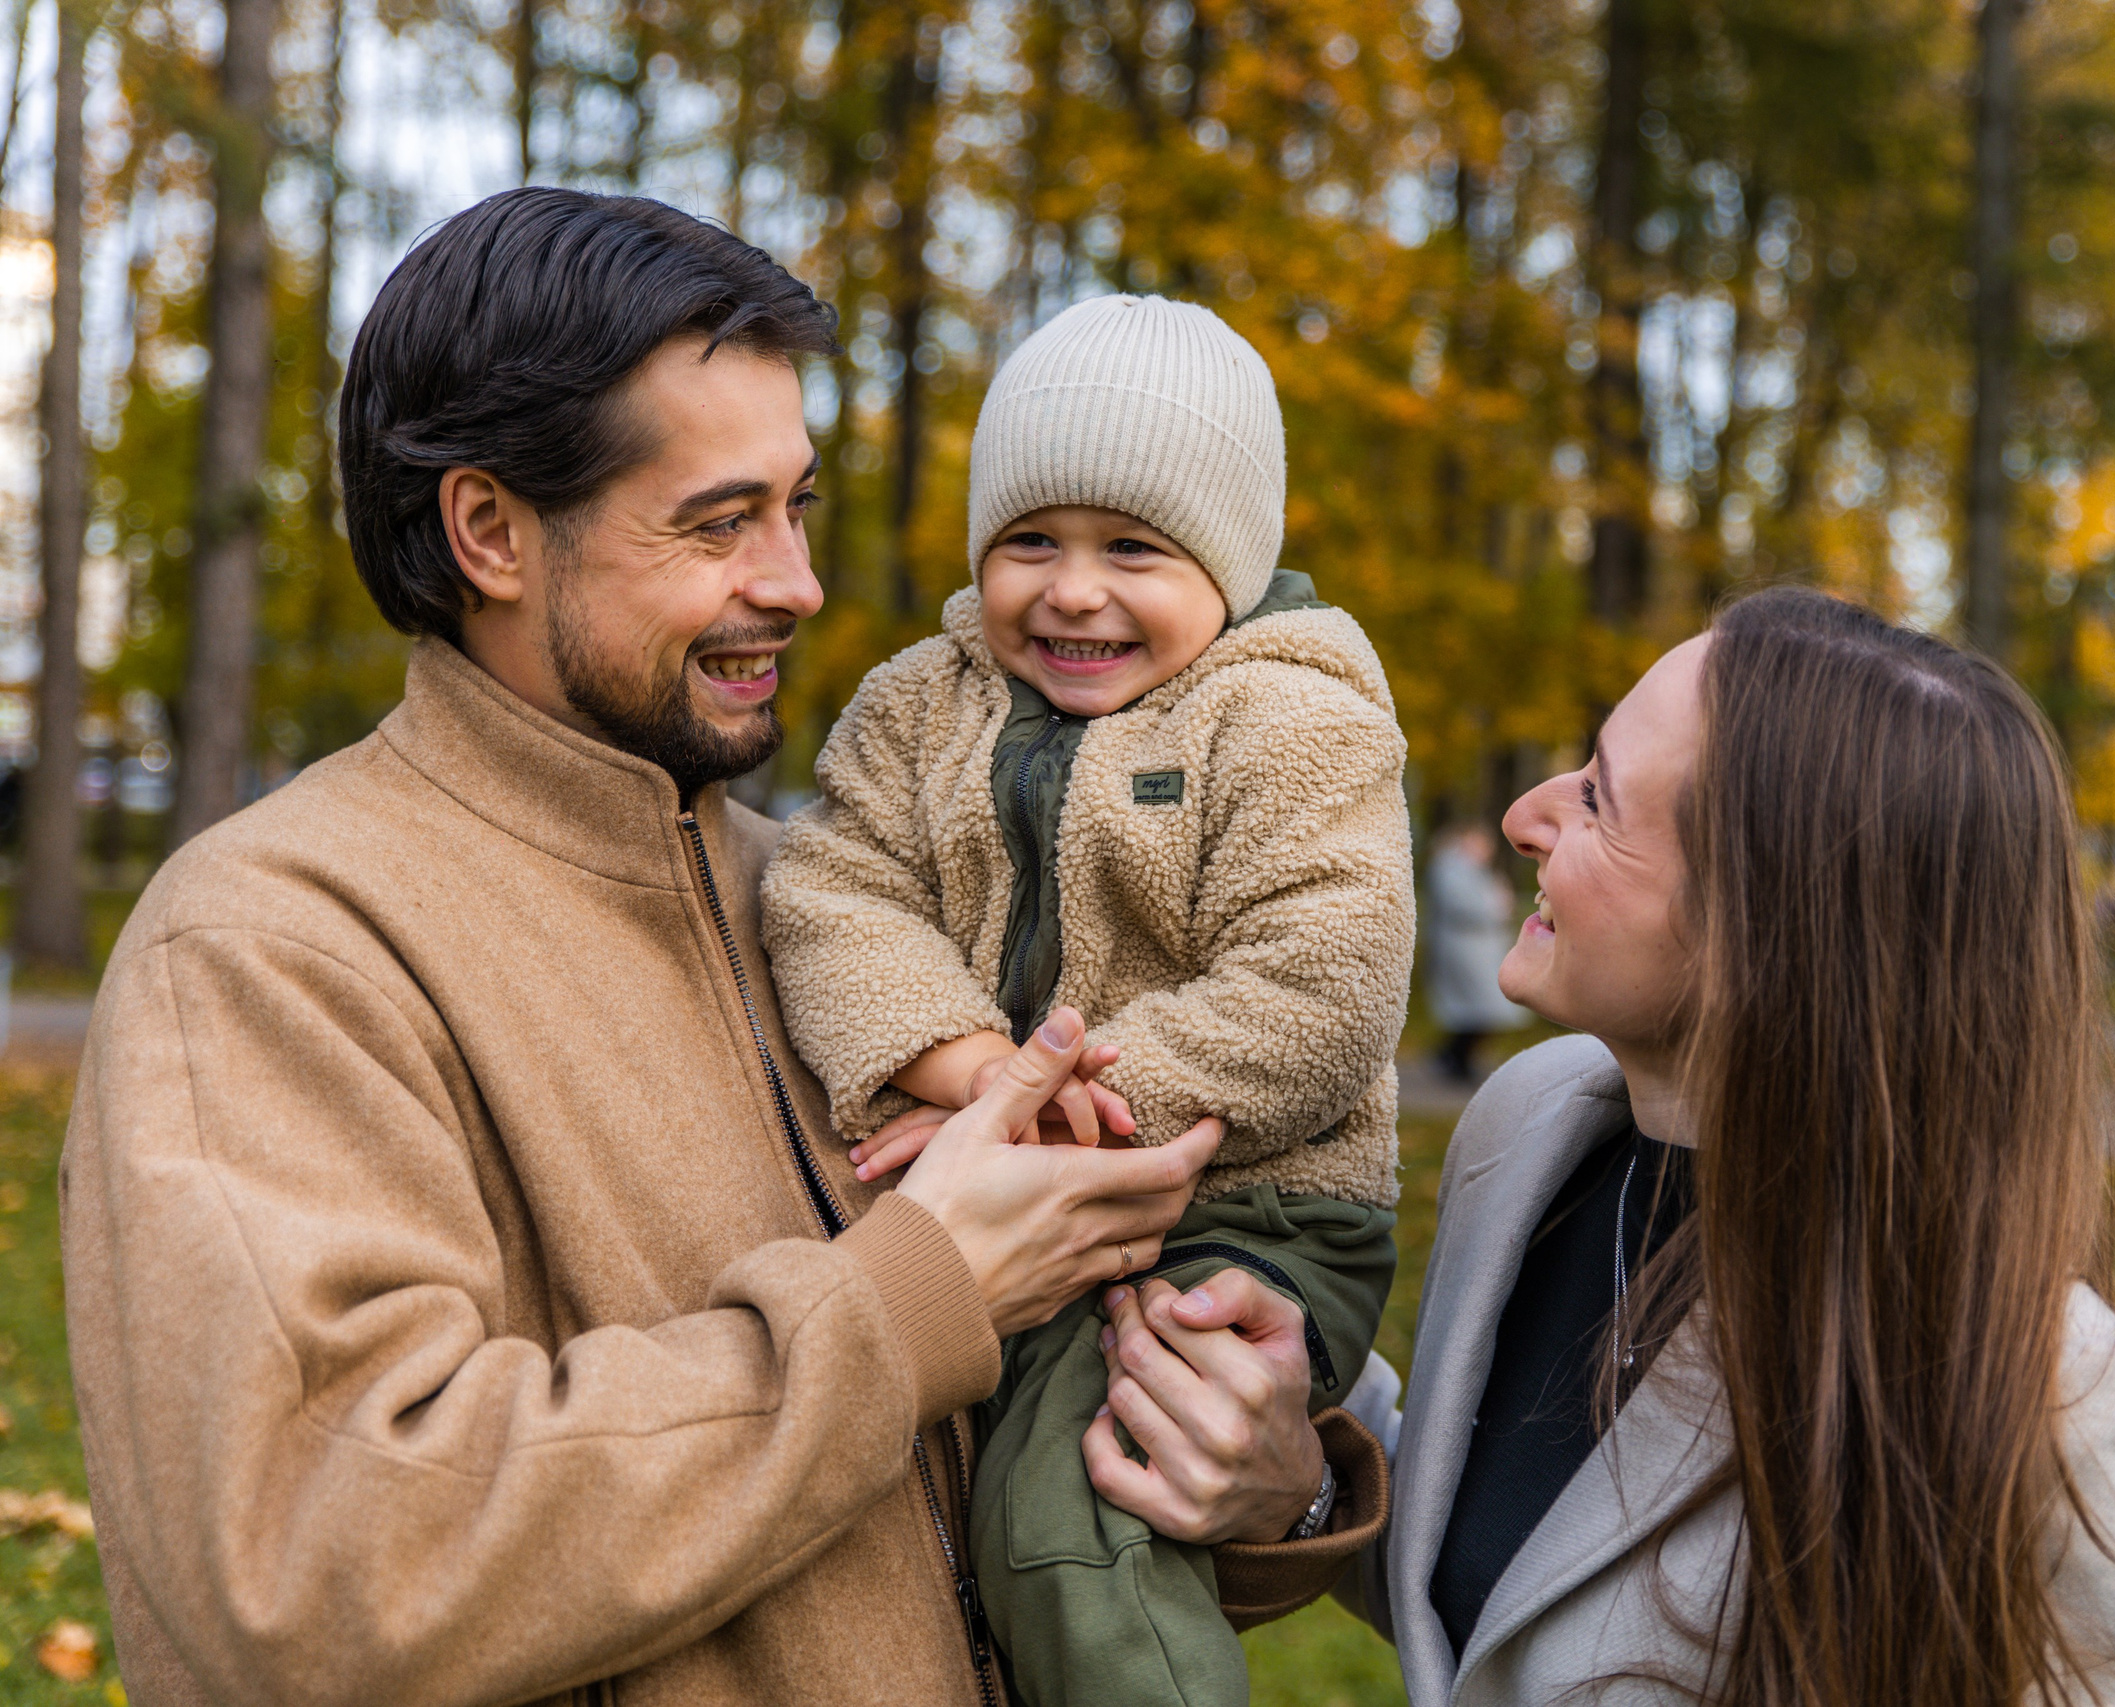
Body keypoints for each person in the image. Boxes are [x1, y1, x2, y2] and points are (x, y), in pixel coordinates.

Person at [57, 189, 1374, 1707]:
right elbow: (311, 1562)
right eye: (718, 521)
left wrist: (1267, 1480)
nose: (797, 583)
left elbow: (977, 1528)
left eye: (796, 507)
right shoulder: (271, 945)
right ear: (490, 528)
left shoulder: (838, 910)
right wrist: (913, 1295)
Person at [1099, 587, 2115, 1704]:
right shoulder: (1526, 1136)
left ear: (1766, 929)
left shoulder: (2055, 1404)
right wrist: (1296, 1463)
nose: (1526, 817)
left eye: (1598, 801)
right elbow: (1509, 1604)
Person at [761, 292, 1410, 1707]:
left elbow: (1324, 982)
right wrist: (963, 1064)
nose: (1070, 589)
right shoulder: (921, 706)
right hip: (1010, 1164)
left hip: (1246, 1196)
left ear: (1228, 564)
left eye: (1134, 548)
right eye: (1029, 541)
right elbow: (830, 889)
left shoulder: (1291, 718)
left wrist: (1057, 1113)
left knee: (1074, 1505)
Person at [1423, 822, 1530, 1081]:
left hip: (1480, 949)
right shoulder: (1452, 869)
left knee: (1481, 1009)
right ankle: (1454, 1059)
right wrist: (1496, 907)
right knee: (1476, 1008)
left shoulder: (1472, 871)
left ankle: (1454, 1057)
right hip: (1465, 950)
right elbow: (1469, 906)